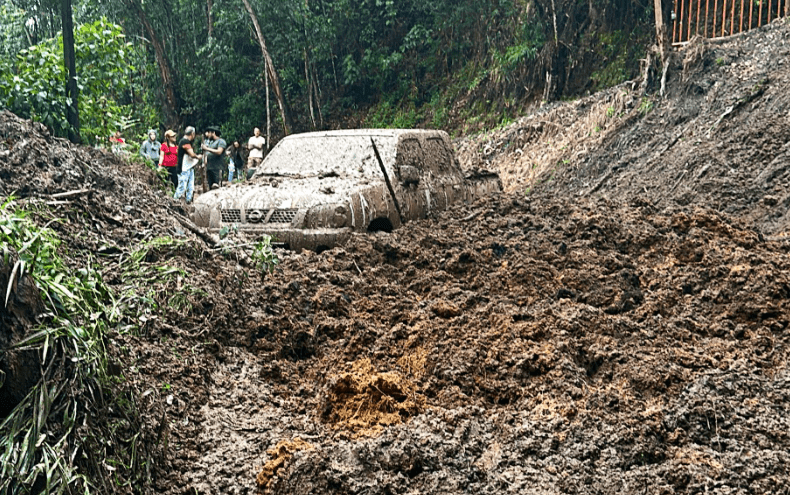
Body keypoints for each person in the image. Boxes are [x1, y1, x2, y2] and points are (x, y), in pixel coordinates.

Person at [174, 127, 202, 204]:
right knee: (182, 187)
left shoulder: (186, 142)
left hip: (189, 167)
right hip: (183, 168)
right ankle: (175, 201)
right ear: (192, 134)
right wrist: (198, 156)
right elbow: (192, 154)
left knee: (190, 186)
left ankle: (188, 201)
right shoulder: (185, 142)